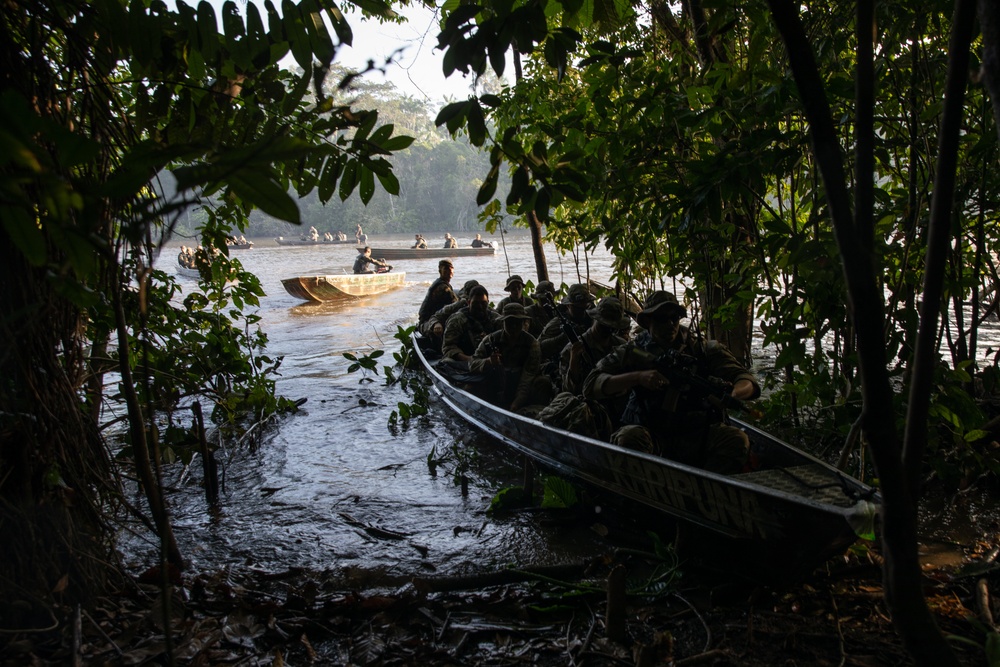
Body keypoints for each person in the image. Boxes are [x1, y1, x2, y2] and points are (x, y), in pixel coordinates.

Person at [583, 291, 760, 474]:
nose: (670, 324)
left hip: (697, 435)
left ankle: (707, 487)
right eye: (661, 318)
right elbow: (590, 385)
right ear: (647, 321)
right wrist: (637, 377)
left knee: (737, 439)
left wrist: (733, 394)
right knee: (629, 438)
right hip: (652, 434)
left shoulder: (702, 349)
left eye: (674, 318)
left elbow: (747, 380)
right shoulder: (633, 352)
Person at [469, 303, 553, 412]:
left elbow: (528, 376)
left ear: (523, 323)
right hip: (496, 384)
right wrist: (488, 361)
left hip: (520, 385)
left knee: (543, 382)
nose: (513, 327)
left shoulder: (531, 343)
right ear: (503, 322)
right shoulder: (491, 339)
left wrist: (517, 402)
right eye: (509, 323)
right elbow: (472, 364)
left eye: (517, 323)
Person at [559, 296, 631, 396]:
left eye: (612, 328)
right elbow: (568, 391)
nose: (607, 330)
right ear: (595, 320)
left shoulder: (621, 345)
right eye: (603, 326)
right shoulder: (573, 349)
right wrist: (574, 361)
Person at [538, 283, 595, 362]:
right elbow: (539, 347)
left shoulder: (592, 319)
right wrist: (564, 337)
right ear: (568, 306)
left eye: (584, 306)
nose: (581, 310)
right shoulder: (558, 322)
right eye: (577, 307)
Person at [442, 285, 500, 363]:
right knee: (447, 362)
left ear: (488, 303)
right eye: (476, 303)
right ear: (469, 302)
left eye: (483, 303)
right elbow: (448, 347)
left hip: (492, 360)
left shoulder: (496, 318)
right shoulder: (457, 320)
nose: (479, 307)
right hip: (466, 360)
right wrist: (469, 359)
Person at [418, 259, 457, 337]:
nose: (449, 271)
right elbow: (456, 304)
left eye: (450, 268)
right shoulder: (442, 287)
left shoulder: (440, 283)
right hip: (428, 323)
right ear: (440, 271)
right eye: (445, 269)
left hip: (432, 320)